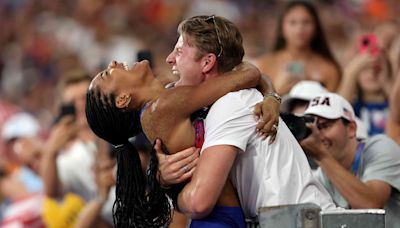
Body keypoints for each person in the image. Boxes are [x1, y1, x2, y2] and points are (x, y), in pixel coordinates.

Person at [157, 15, 335, 227]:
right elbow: (251, 72)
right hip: (289, 219)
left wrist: (169, 190)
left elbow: (198, 203)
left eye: (179, 51)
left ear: (207, 62)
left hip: (305, 221)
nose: (169, 59)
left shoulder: (230, 104)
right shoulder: (216, 104)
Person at [85, 55, 277, 227]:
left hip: (225, 214)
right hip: (219, 217)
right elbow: (249, 75)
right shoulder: (165, 106)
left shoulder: (163, 105)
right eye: (107, 75)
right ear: (123, 99)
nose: (113, 63)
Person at [300, 92, 400, 228]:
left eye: (324, 126)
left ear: (352, 129)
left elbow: (371, 206)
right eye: (313, 129)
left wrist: (321, 156)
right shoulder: (319, 177)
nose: (318, 135)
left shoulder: (381, 148)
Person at [255, 1, 341, 95]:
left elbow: (334, 105)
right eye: (292, 22)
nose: (299, 29)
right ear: (281, 28)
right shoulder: (263, 65)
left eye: (306, 22)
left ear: (316, 28)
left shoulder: (328, 69)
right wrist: (278, 91)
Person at [337, 44, 393, 136]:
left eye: (377, 69)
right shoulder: (353, 107)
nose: (372, 73)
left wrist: (387, 82)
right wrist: (352, 71)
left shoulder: (392, 105)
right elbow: (335, 110)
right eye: (365, 68)